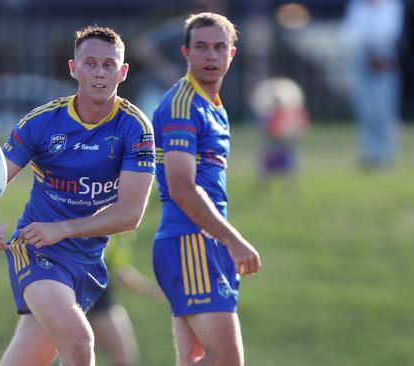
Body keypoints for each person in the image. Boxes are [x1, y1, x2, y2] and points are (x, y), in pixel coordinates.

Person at [0, 26, 155, 366]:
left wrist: (64, 228)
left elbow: (130, 213)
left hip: (86, 259)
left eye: (108, 64)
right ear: (74, 68)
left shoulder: (135, 127)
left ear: (123, 71)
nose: (99, 72)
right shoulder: (42, 122)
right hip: (35, 249)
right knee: (80, 341)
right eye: (90, 63)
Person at [150, 13, 262, 366]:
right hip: (190, 241)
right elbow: (182, 187)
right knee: (227, 361)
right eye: (201, 47)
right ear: (186, 52)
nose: (211, 56)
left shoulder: (212, 105)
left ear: (232, 54)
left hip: (201, 242)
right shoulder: (183, 105)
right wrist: (232, 239)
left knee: (194, 360)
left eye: (219, 48)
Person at [341, 0, 404, 170]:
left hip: (383, 57)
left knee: (384, 108)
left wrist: (368, 38)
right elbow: (348, 32)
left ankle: (385, 154)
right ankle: (369, 153)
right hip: (362, 57)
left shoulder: (391, 6)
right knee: (366, 109)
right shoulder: (357, 6)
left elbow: (390, 32)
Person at [86, 232, 162, 366]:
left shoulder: (122, 235)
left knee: (123, 357)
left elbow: (119, 271)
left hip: (101, 298)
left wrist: (150, 289)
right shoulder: (96, 222)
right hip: (83, 296)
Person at [249, 77, 309, 194]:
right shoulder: (268, 115)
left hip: (286, 145)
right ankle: (262, 187)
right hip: (272, 146)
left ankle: (290, 187)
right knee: (266, 167)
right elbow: (265, 130)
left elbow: (300, 128)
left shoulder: (289, 114)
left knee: (289, 166)